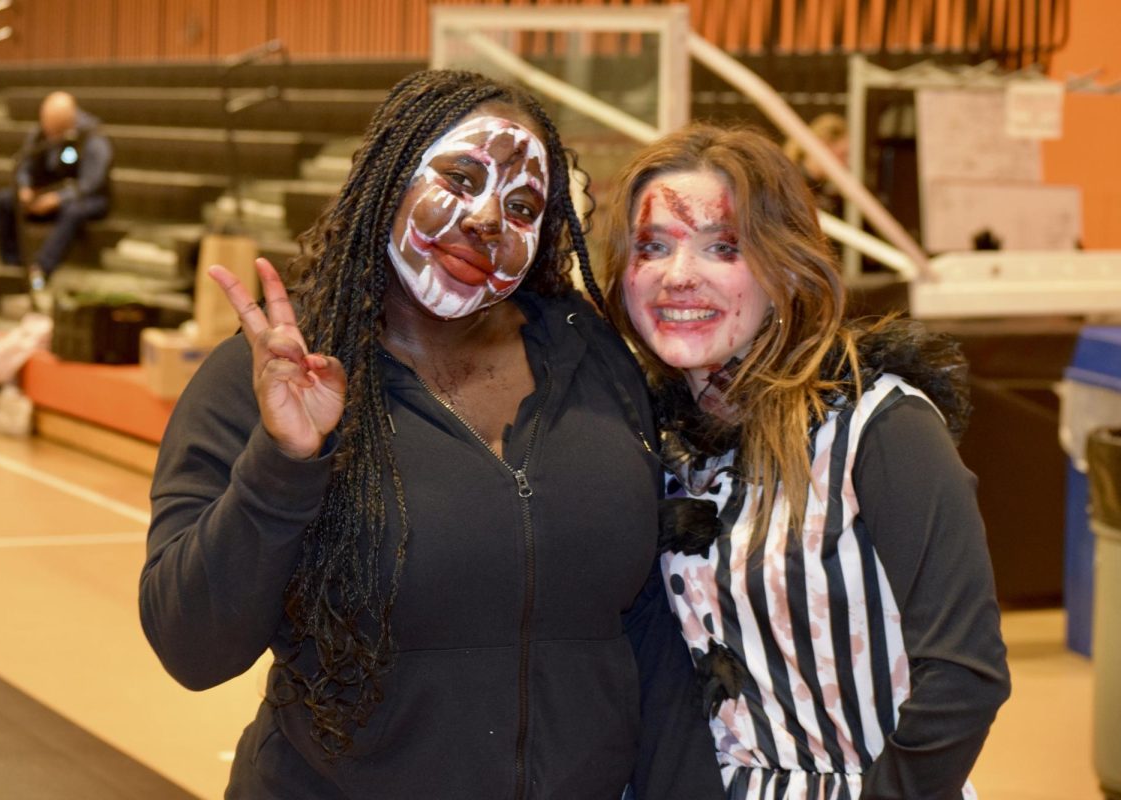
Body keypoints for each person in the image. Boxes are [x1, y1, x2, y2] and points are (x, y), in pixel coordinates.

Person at [140, 70, 722, 799]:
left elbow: (646, 626)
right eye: (460, 175)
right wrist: (284, 462)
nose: (487, 218)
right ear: (390, 174)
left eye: (522, 205)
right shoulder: (263, 380)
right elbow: (190, 647)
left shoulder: (594, 359)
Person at [600, 123, 1010, 798]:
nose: (678, 276)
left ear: (784, 266)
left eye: (721, 248)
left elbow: (966, 675)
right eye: (653, 248)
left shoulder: (881, 428)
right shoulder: (652, 439)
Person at [0, 91, 113, 292]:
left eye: (56, 130)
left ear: (69, 121)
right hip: (46, 194)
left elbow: (91, 184)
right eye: (47, 127)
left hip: (87, 200)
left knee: (74, 211)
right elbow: (25, 165)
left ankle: (41, 271)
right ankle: (12, 265)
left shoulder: (92, 137)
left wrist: (57, 199)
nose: (50, 134)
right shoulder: (40, 133)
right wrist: (25, 188)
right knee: (4, 200)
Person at [782, 112, 848, 218]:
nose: (846, 163)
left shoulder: (822, 190)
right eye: (843, 155)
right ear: (823, 145)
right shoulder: (792, 185)